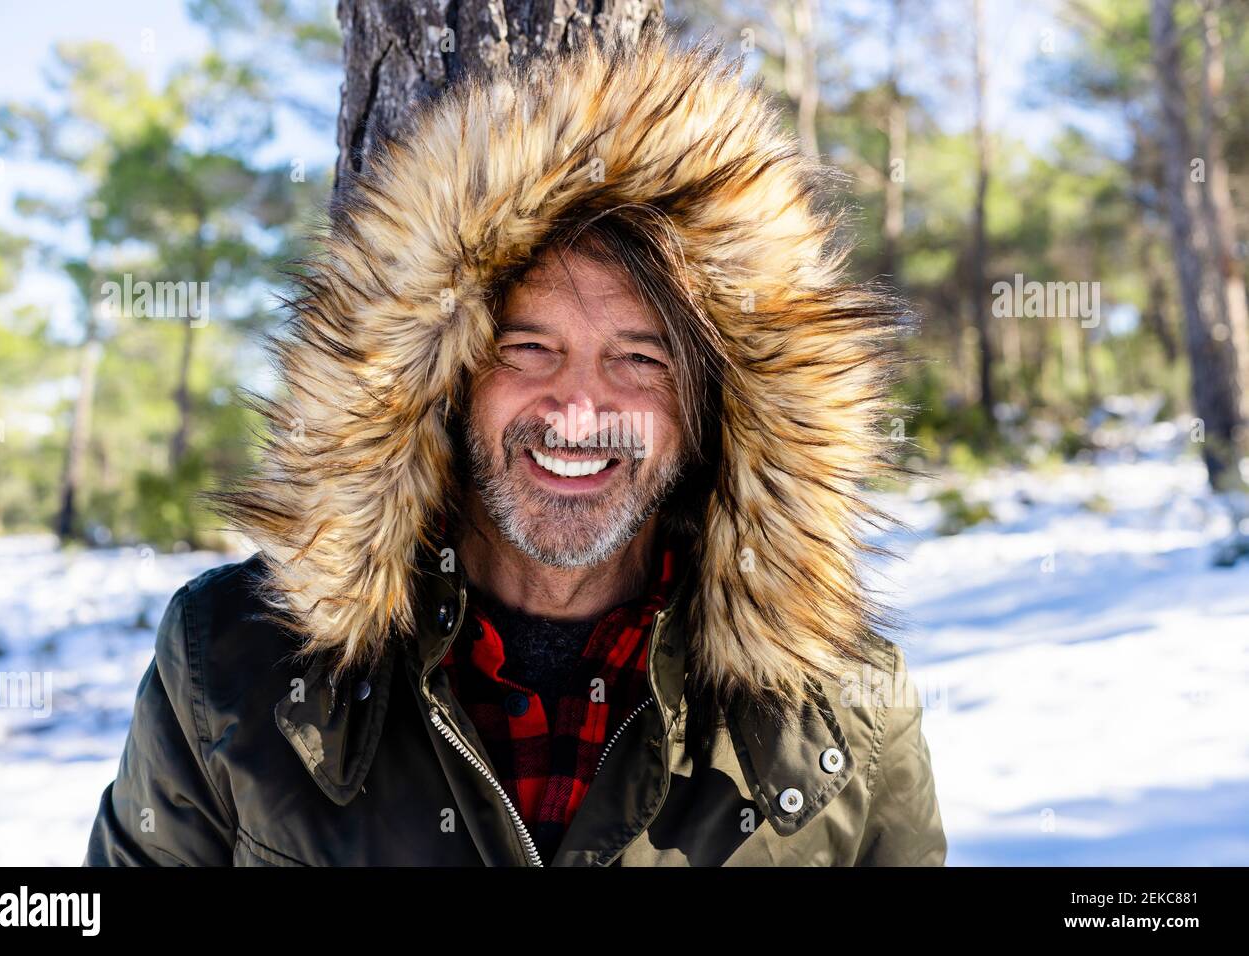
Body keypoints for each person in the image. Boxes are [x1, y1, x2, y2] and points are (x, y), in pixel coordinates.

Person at [85, 24, 946, 867]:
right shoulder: (230, 665)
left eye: (638, 358)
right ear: (449, 382)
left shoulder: (845, 714)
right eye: (528, 349)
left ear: (711, 406)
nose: (577, 409)